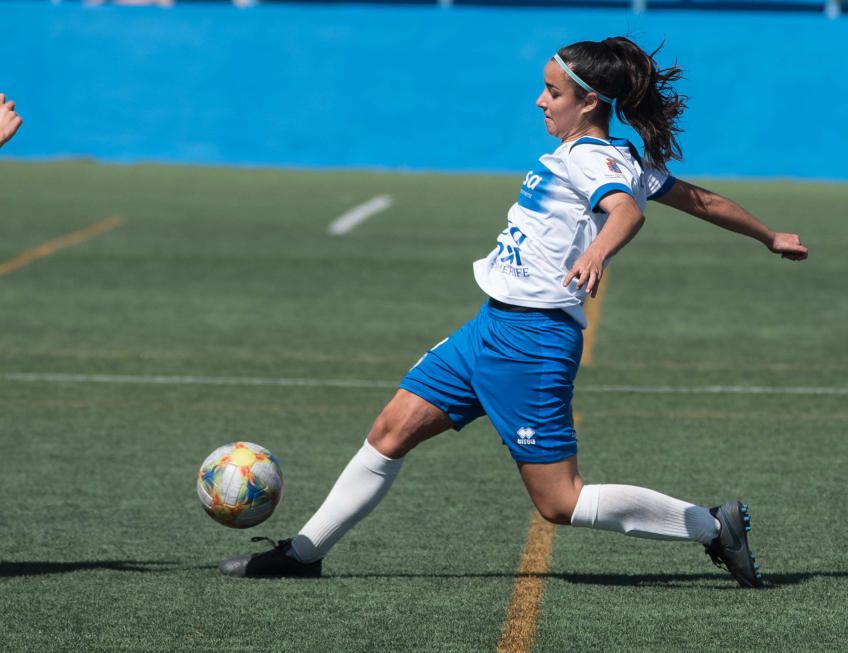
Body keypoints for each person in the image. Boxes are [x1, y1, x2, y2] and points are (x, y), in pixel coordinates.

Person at [220, 37, 808, 588]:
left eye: (553, 92)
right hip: (490, 328)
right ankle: (304, 554)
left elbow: (627, 212)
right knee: (390, 431)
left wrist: (599, 250)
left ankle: (714, 526)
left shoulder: (592, 160)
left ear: (589, 103)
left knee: (561, 502)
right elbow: (699, 199)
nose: (540, 100)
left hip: (532, 341)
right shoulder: (611, 154)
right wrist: (768, 234)